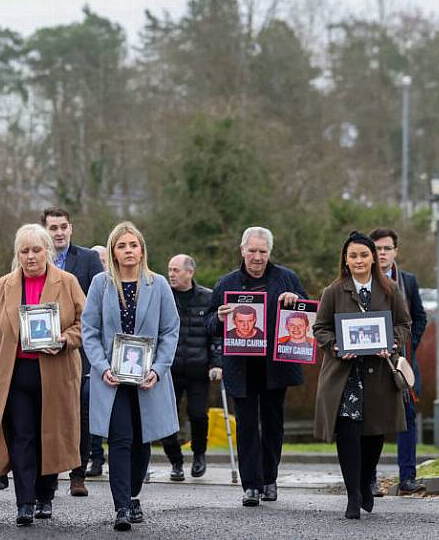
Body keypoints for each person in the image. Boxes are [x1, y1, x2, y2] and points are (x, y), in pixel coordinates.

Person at [0, 223, 84, 526]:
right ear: (17, 254)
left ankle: (45, 496)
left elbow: (85, 324)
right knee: (22, 437)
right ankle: (25, 502)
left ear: (48, 251)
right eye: (24, 251)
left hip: (55, 372)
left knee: (49, 435)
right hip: (14, 374)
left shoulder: (68, 282)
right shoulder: (3, 285)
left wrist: (65, 339)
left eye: (37, 249)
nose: (31, 256)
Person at [82, 221, 180, 531]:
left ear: (141, 250)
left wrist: (158, 370)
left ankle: (133, 493)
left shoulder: (159, 284)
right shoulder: (101, 283)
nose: (128, 250)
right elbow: (90, 330)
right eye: (122, 245)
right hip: (112, 378)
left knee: (141, 441)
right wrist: (101, 367)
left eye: (133, 245)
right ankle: (122, 506)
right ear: (113, 250)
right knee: (120, 439)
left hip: (147, 378)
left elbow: (170, 330)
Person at [207, 226, 308, 506]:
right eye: (252, 250)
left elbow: (308, 316)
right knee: (248, 426)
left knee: (274, 425)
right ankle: (250, 485)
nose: (257, 257)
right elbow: (209, 326)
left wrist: (295, 302)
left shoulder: (287, 278)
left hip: (276, 366)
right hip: (241, 367)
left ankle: (269, 479)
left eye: (262, 251)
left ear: (270, 253)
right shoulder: (226, 284)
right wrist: (219, 318)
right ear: (242, 250)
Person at [313, 231, 410, 519]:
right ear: (345, 258)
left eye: (363, 255)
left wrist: (392, 342)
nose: (358, 260)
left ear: (373, 258)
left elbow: (405, 323)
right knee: (348, 432)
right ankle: (353, 494)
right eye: (353, 255)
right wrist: (336, 346)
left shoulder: (391, 290)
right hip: (345, 375)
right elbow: (320, 328)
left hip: (379, 373)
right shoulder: (333, 291)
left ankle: (367, 480)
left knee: (374, 434)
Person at [41, 207, 104, 496]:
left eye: (63, 227)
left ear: (71, 228)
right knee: (49, 415)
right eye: (53, 228)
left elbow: (100, 300)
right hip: (44, 349)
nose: (59, 232)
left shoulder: (89, 259)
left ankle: (78, 474)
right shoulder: (34, 259)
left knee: (81, 413)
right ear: (44, 230)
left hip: (81, 348)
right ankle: (50, 476)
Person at [369, 227, 427, 496]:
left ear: (395, 251)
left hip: (402, 360)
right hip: (370, 360)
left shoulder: (409, 282)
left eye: (387, 248)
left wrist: (408, 346)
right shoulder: (363, 281)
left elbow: (419, 317)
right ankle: (369, 480)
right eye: (377, 248)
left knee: (408, 418)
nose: (382, 253)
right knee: (371, 420)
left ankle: (408, 478)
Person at [161, 254, 222, 482]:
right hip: (169, 370)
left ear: (190, 272)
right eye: (170, 270)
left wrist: (216, 363)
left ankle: (199, 455)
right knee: (166, 418)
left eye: (176, 270)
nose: (171, 274)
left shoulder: (207, 298)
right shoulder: (163, 296)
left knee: (198, 415)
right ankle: (175, 460)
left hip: (198, 369)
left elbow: (216, 334)